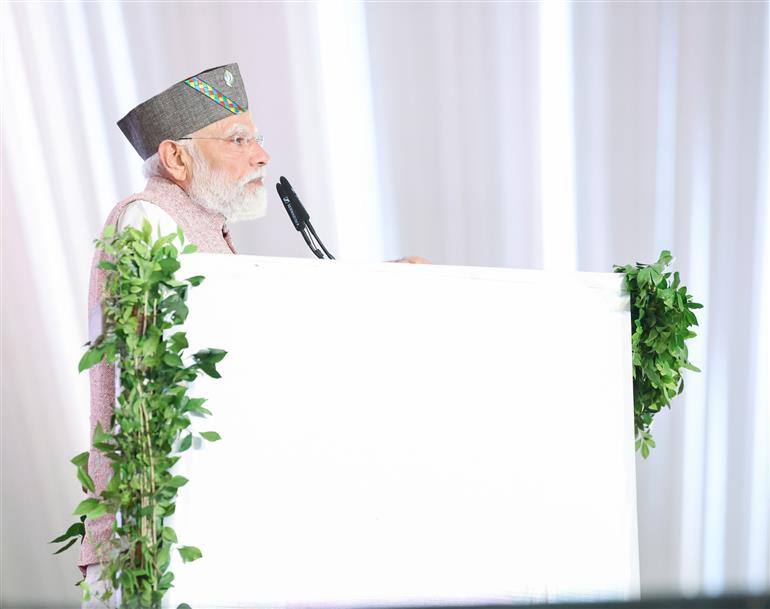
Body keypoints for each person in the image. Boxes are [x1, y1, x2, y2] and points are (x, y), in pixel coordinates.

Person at [80, 62, 427, 606]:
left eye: (257, 139)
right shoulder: (148, 219)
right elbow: (172, 368)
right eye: (239, 139)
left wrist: (382, 282)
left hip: (214, 524)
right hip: (158, 531)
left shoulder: (202, 225)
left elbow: (257, 322)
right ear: (175, 158)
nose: (261, 156)